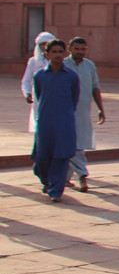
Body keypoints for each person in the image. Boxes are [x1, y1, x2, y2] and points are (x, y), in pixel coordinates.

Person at [31, 39, 79, 202]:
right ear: (46, 54)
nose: (58, 55)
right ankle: (47, 180)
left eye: (60, 52)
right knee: (42, 157)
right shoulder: (40, 76)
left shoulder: (72, 76)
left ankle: (56, 190)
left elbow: (74, 98)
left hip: (64, 122)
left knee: (61, 156)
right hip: (45, 121)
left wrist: (65, 114)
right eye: (54, 52)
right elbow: (39, 95)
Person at [62, 37, 104, 191]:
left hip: (84, 111)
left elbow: (95, 87)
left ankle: (65, 179)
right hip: (65, 111)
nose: (79, 52)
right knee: (73, 145)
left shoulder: (90, 65)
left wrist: (101, 108)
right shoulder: (63, 65)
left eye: (82, 49)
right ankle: (82, 175)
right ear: (69, 49)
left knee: (78, 144)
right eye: (76, 49)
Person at [22, 31, 57, 133]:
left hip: (55, 94)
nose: (45, 46)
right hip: (39, 95)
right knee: (39, 120)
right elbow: (26, 79)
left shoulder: (59, 62)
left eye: (47, 43)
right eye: (42, 44)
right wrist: (27, 93)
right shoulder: (33, 61)